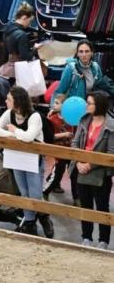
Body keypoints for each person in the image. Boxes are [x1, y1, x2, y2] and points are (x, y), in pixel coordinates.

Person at [0, 86, 54, 237]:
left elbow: (29, 137)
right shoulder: (9, 114)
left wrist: (15, 131)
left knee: (34, 193)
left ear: (17, 102)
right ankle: (30, 223)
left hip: (33, 159)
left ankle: (44, 216)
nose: (6, 101)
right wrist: (13, 134)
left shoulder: (34, 117)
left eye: (9, 99)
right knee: (23, 192)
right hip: (16, 157)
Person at [70, 91, 113, 249]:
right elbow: (74, 144)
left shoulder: (111, 125)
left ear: (99, 105)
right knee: (85, 206)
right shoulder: (83, 121)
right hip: (81, 170)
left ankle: (103, 240)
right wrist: (79, 162)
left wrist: (90, 164)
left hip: (100, 173)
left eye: (90, 103)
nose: (86, 106)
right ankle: (86, 237)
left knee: (102, 207)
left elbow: (111, 153)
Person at [51, 40, 114, 105]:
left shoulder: (95, 68)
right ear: (77, 54)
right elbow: (60, 91)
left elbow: (102, 84)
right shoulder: (71, 68)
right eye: (81, 52)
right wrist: (54, 108)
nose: (84, 54)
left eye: (87, 51)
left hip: (87, 107)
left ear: (92, 53)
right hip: (71, 107)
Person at [42, 94, 76, 201]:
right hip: (59, 150)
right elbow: (50, 136)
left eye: (57, 103)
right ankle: (45, 192)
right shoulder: (52, 119)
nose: (54, 105)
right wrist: (64, 135)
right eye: (54, 102)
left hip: (72, 150)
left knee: (74, 175)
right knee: (58, 173)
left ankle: (77, 198)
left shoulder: (72, 117)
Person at [0, 3, 42, 79]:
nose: (29, 24)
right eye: (30, 21)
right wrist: (35, 48)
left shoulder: (7, 29)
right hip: (19, 70)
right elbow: (25, 57)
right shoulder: (22, 35)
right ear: (24, 18)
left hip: (8, 65)